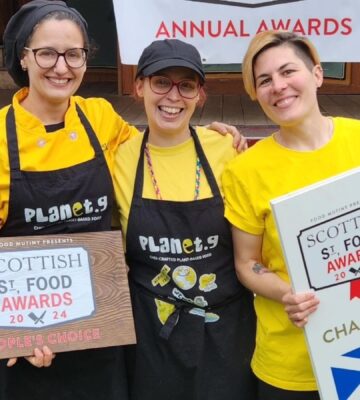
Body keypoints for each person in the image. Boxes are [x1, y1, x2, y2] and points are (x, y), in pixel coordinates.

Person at [0, 2, 245, 399]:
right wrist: (15, 328)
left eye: (73, 54)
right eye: (47, 52)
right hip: (32, 337)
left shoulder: (99, 119)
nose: (61, 66)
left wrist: (210, 136)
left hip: (103, 329)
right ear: (22, 57)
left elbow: (165, 149)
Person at [113, 38, 257, 400]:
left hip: (225, 334)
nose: (173, 96)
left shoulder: (225, 148)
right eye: (161, 81)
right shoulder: (117, 155)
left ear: (199, 96)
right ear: (139, 86)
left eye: (187, 85)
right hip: (152, 337)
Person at [222, 30, 360, 400]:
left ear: (316, 74)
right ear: (256, 94)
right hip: (291, 364)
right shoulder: (246, 170)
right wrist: (288, 294)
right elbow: (246, 264)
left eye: (287, 71)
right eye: (264, 80)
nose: (278, 86)